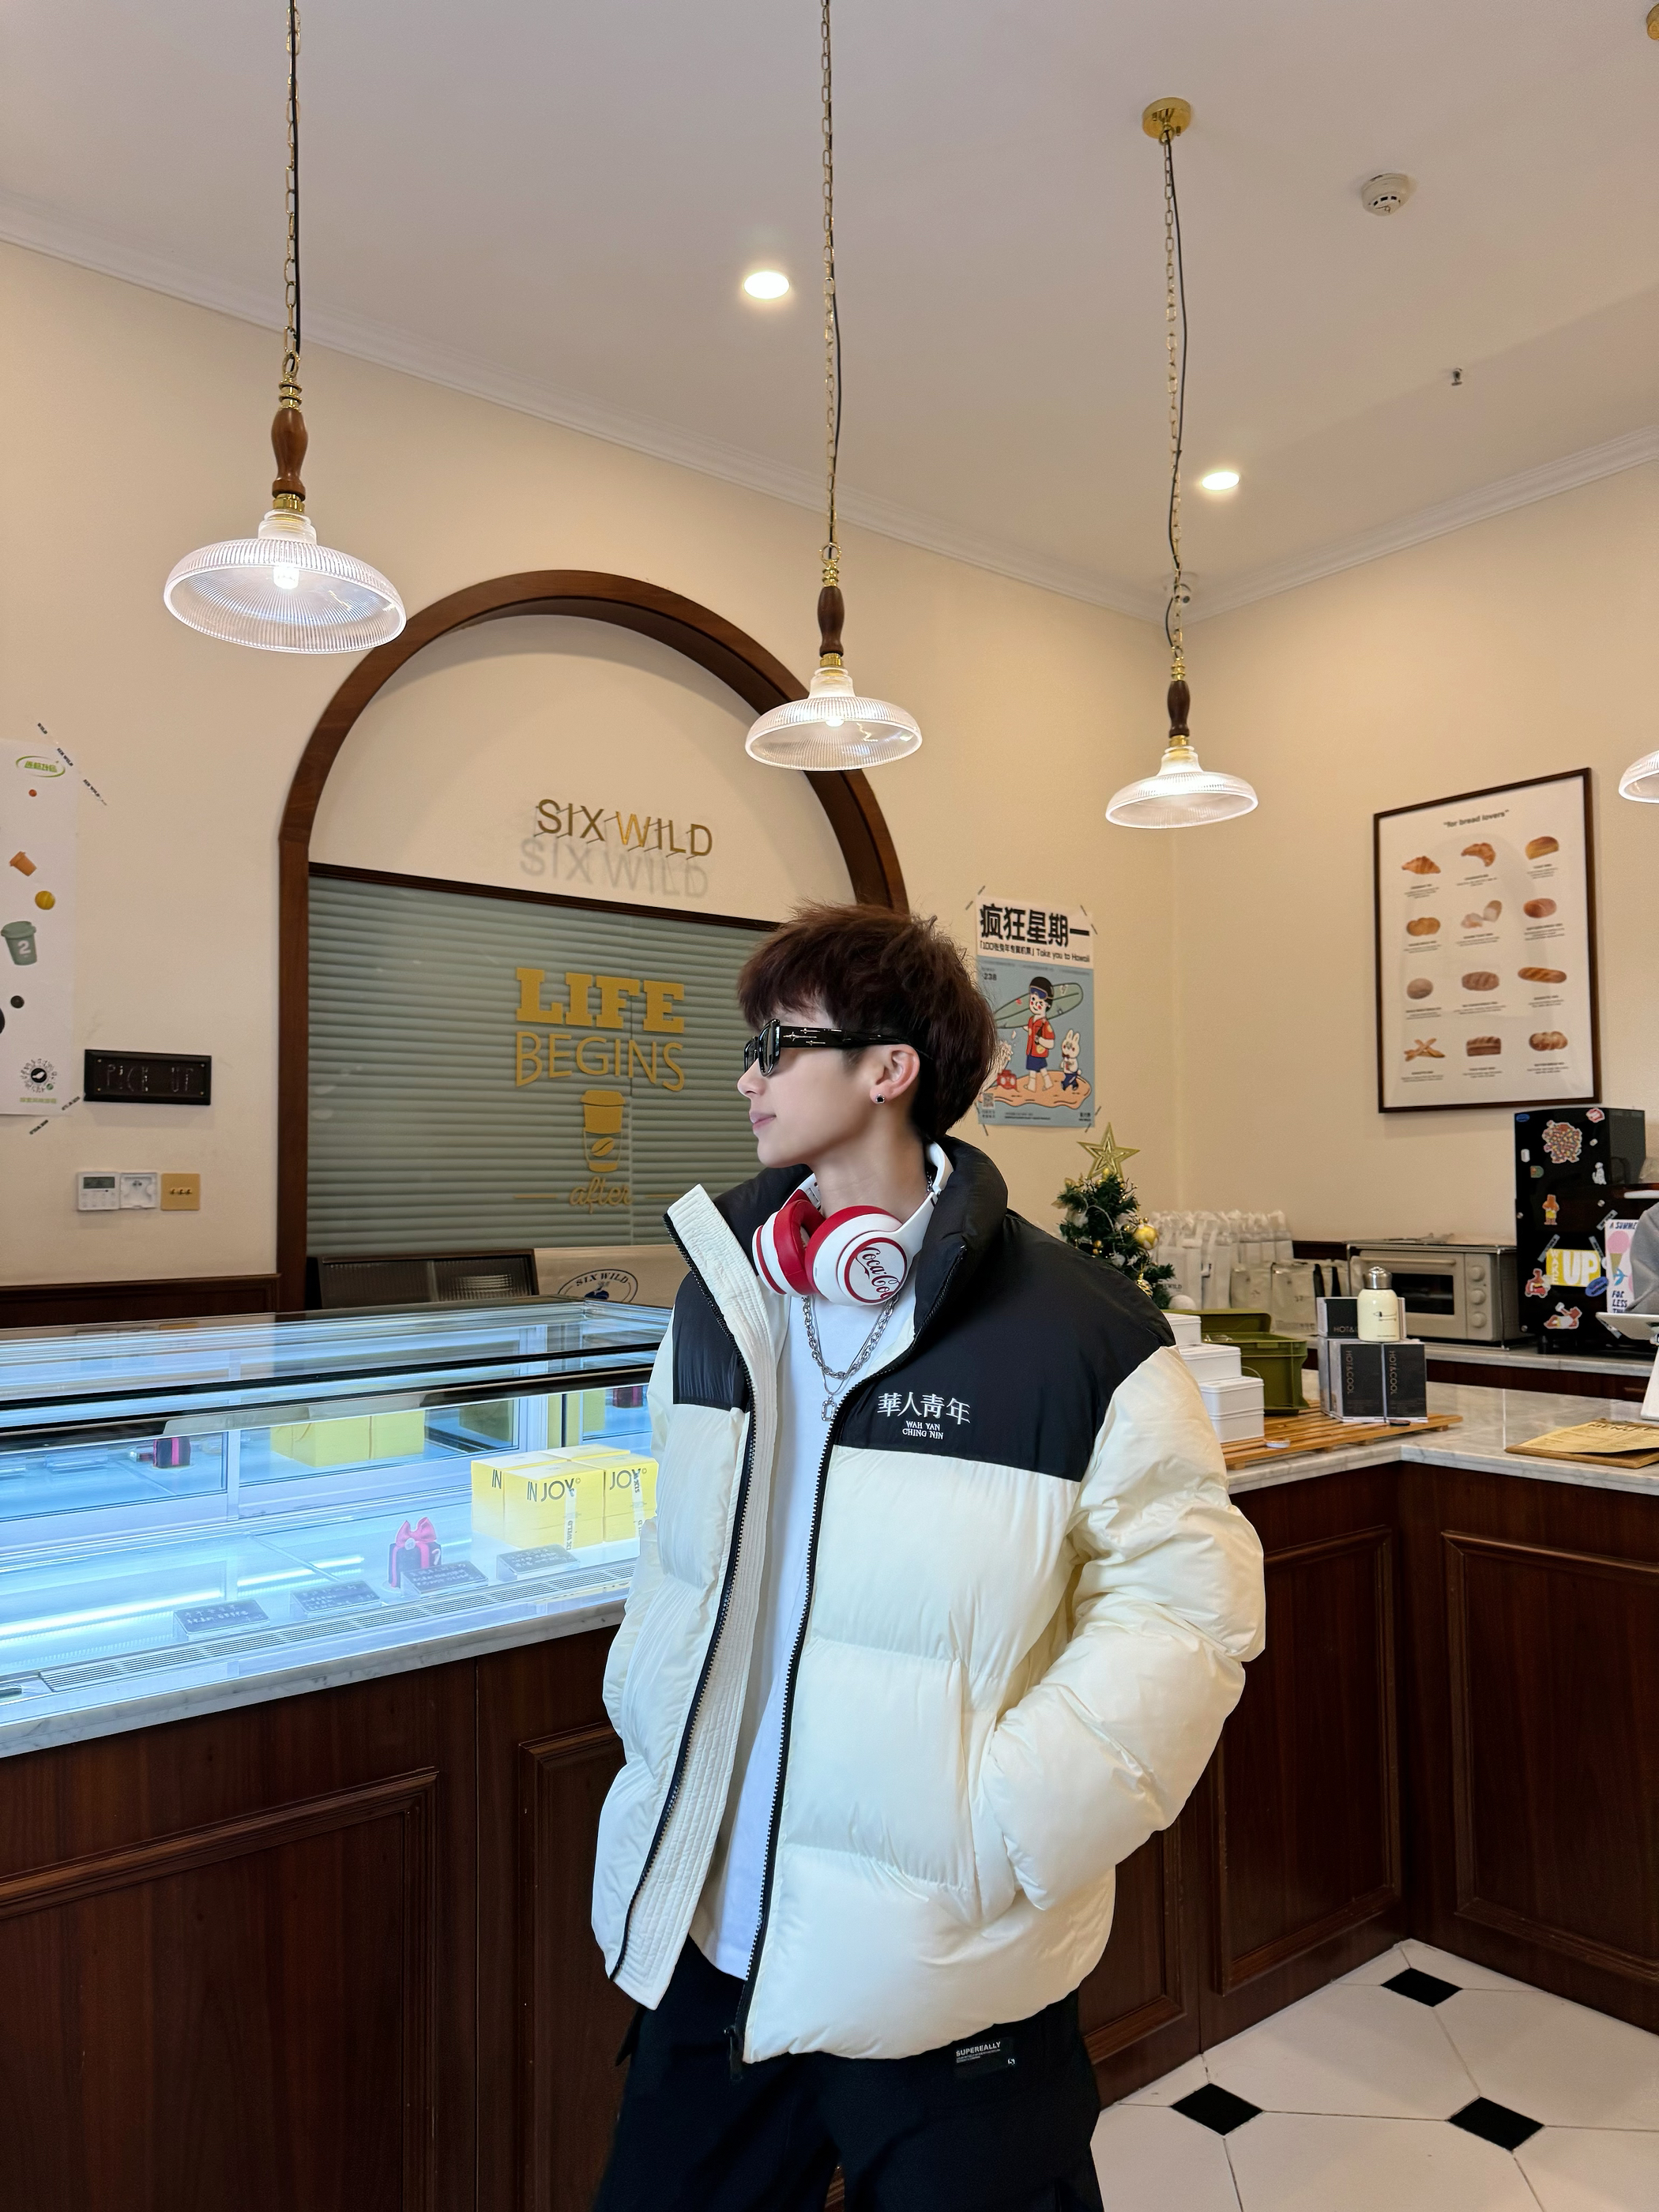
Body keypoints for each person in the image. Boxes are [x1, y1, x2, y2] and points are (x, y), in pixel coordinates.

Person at [592, 902, 1266, 2212]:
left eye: (779, 1045)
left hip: (949, 1962)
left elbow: (1190, 1608)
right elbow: (674, 1560)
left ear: (889, 1069)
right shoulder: (718, 1303)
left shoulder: (1079, 1329)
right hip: (714, 1936)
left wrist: (1005, 1828)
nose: (747, 1078)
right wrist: (649, 1722)